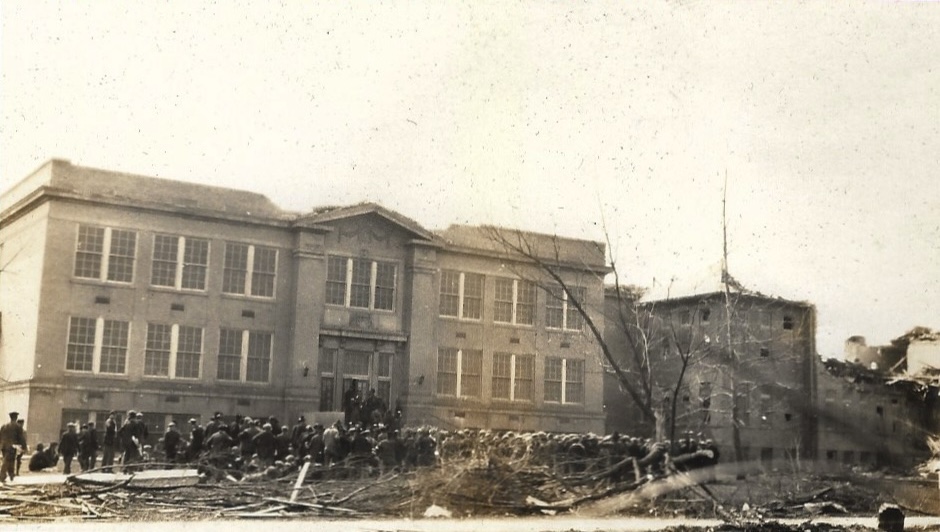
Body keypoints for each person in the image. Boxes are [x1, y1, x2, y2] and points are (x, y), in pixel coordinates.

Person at [0, 412, 27, 482]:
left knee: (9, 460)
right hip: (12, 446)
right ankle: (2, 475)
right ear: (16, 417)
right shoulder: (17, 426)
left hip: (3, 446)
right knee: (8, 460)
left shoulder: (4, 426)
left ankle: (11, 474)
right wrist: (24, 446)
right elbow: (21, 437)